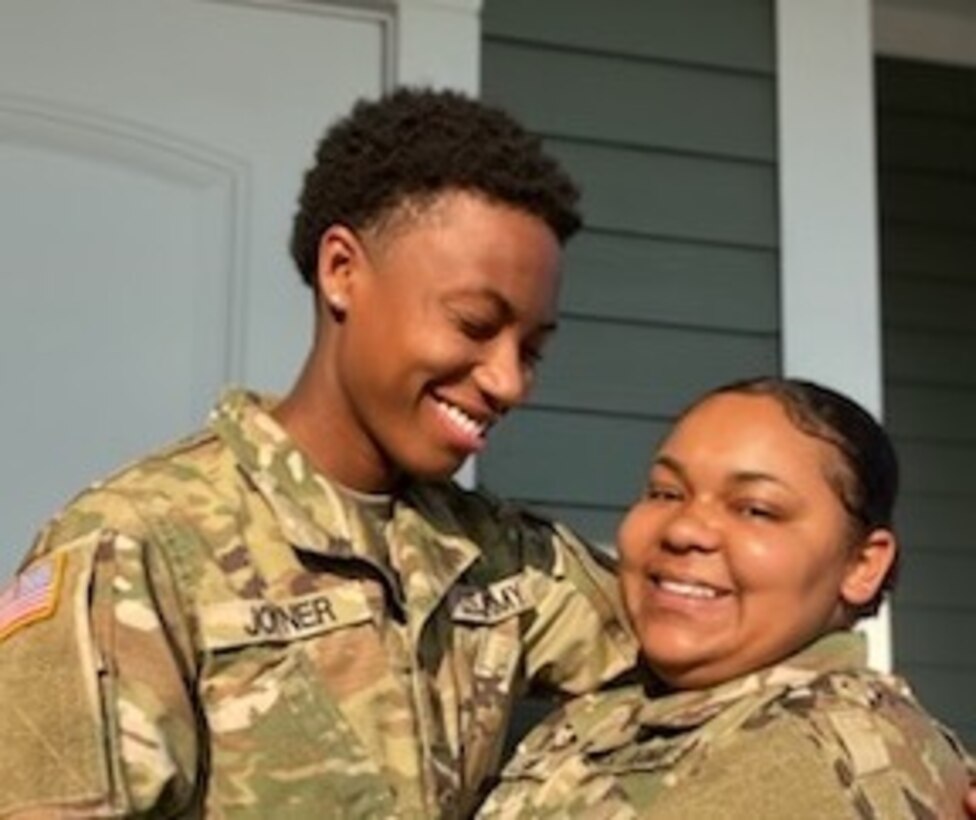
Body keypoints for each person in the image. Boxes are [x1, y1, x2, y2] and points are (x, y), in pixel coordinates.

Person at [0, 88, 637, 818]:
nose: (507, 381)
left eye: (532, 350)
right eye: (473, 324)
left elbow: (719, 646)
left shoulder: (498, 554)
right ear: (343, 271)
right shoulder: (132, 547)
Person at [477, 377, 972, 819]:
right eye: (666, 493)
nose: (685, 528)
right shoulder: (636, 704)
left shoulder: (815, 757)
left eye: (756, 509)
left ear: (862, 565)